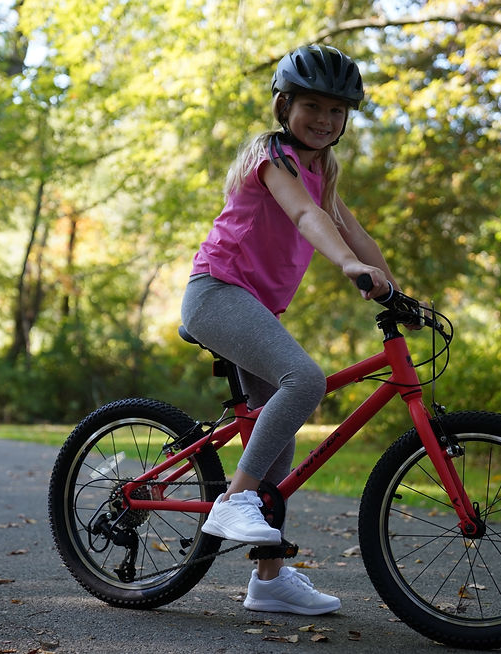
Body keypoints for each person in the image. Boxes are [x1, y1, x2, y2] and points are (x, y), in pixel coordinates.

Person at [180, 44, 401, 616]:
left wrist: (396, 289)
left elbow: (354, 232)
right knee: (305, 381)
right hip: (216, 293)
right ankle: (233, 502)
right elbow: (306, 216)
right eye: (311, 106)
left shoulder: (324, 169)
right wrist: (349, 268)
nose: (324, 120)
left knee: (275, 451)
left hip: (254, 306)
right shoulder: (271, 155)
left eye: (336, 111)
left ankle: (269, 580)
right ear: (284, 105)